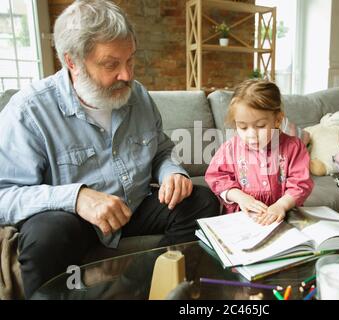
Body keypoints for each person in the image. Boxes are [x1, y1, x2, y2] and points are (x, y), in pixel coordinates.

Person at [0, 0, 219, 298]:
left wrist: (172, 172)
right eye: (111, 64)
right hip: (74, 221)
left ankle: (143, 285)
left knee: (202, 200)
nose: (127, 75)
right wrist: (76, 198)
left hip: (134, 204)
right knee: (45, 235)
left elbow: (162, 149)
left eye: (130, 61)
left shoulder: (137, 95)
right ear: (72, 62)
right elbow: (3, 195)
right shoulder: (28, 111)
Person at [205, 79, 314, 225]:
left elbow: (301, 184)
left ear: (277, 120)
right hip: (242, 220)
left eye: (260, 126)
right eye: (242, 127)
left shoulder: (294, 147)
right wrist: (240, 197)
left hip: (284, 217)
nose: (251, 135)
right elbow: (216, 177)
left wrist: (281, 205)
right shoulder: (230, 148)